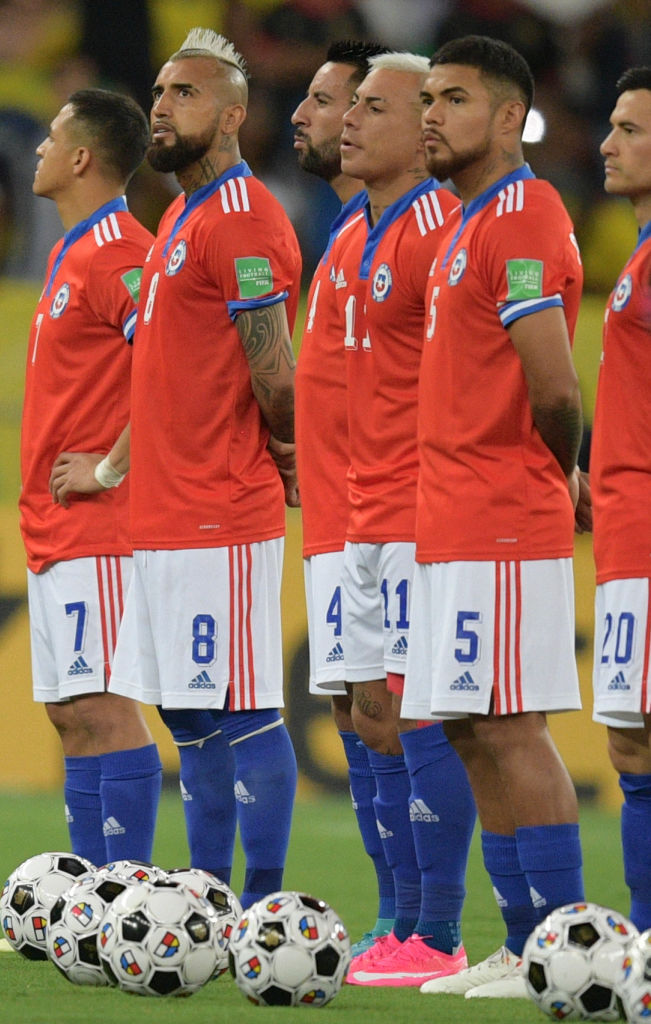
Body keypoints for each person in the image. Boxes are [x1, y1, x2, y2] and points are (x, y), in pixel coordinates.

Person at [51, 27, 301, 908]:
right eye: (159, 93)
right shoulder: (180, 221)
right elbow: (163, 376)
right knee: (190, 719)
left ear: (233, 115)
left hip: (217, 514)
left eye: (185, 95)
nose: (162, 107)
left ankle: (261, 906)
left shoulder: (241, 219)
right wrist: (115, 469)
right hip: (159, 517)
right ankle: (205, 894)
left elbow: (275, 374)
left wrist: (288, 451)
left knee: (245, 709)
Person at [402, 35, 586, 999]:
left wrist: (561, 472)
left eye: (455, 98)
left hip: (503, 518)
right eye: (426, 97)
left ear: (508, 117)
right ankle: (522, 944)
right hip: (450, 522)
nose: (431, 113)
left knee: (512, 728)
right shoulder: (463, 223)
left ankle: (566, 947)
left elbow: (553, 387)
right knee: (469, 731)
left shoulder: (523, 214)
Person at [320, 51, 476, 987]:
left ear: (420, 126)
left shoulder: (435, 226)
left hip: (420, 509)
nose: (348, 120)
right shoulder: (365, 232)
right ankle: (400, 922)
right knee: (377, 720)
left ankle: (438, 929)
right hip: (362, 510)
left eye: (371, 108)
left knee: (419, 719)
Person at [19, 88, 162, 870]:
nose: (38, 151)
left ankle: (124, 888)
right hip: (55, 525)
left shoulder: (122, 254)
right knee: (70, 712)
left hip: (102, 525)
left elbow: (172, 370)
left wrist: (110, 464)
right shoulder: (70, 250)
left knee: (104, 707)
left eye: (49, 137)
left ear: (81, 158)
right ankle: (86, 895)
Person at [291, 38, 397, 956]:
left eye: (332, 101)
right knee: (349, 712)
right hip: (331, 513)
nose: (315, 117)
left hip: (385, 515)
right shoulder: (344, 237)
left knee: (387, 709)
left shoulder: (413, 224)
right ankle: (392, 916)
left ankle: (421, 920)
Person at [590, 67, 651, 932]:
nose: (606, 142)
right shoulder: (637, 255)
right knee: (632, 745)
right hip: (622, 528)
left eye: (631, 129)